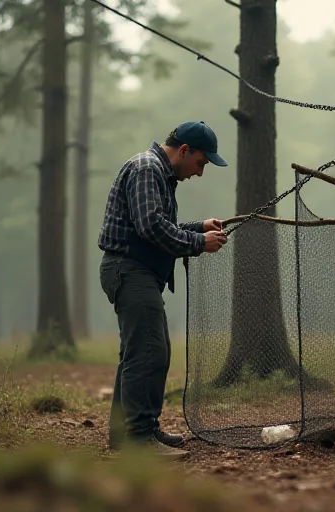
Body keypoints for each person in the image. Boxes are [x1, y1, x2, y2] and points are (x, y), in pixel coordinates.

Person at [96, 120, 230, 459]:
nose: (200, 172)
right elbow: (151, 228)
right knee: (149, 352)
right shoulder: (147, 169)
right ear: (184, 150)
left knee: (140, 352)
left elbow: (158, 224)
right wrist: (199, 243)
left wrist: (199, 227)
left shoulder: (157, 173)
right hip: (130, 270)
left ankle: (128, 433)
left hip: (133, 272)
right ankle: (139, 439)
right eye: (200, 162)